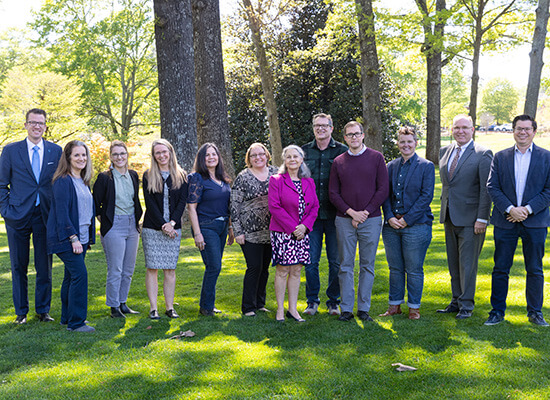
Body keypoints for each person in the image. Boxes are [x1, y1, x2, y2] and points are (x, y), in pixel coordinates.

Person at [484, 115, 550, 326]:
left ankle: (535, 312)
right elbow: (492, 186)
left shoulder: (546, 157)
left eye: (527, 129)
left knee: (535, 269)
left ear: (534, 131)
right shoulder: (500, 157)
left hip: (536, 222)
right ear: (513, 130)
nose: (522, 132)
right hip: (506, 221)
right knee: (501, 268)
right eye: (518, 128)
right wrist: (511, 209)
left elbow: (549, 190)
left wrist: (527, 210)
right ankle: (497, 312)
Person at [0, 108, 62, 324]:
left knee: (44, 265)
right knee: (18, 265)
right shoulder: (10, 151)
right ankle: (21, 312)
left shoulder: (56, 151)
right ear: (25, 125)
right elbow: (1, 184)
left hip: (45, 215)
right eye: (33, 122)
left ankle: (43, 310)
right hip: (17, 215)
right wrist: (5, 210)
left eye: (41, 123)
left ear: (45, 126)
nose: (37, 126)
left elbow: (60, 184)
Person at [329, 121, 389, 322]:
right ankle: (346, 309)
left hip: (370, 219)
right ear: (344, 138)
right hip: (344, 220)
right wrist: (351, 213)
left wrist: (365, 212)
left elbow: (383, 189)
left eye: (357, 134)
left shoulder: (376, 158)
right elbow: (333, 193)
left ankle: (363, 308)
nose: (353, 137)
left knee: (367, 265)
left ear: (363, 135)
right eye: (349, 135)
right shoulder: (338, 161)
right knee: (345, 264)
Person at [438, 114, 493, 319]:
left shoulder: (483, 153)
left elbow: (486, 190)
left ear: (472, 129)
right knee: (454, 263)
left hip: (472, 220)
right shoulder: (445, 151)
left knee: (468, 264)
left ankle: (467, 305)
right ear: (452, 130)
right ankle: (455, 301)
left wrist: (482, 218)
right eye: (456, 128)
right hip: (449, 216)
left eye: (464, 127)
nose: (460, 131)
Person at [380, 127, 434, 320]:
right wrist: (389, 216)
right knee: (395, 268)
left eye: (409, 141)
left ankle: (414, 307)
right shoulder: (390, 166)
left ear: (416, 143)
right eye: (402, 141)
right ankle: (394, 306)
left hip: (416, 225)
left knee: (413, 268)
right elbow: (384, 194)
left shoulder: (426, 166)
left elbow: (426, 196)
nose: (406, 145)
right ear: (398, 144)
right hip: (391, 226)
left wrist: (407, 219)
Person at [301, 113, 347, 316]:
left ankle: (333, 301)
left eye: (324, 126)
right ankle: (312, 301)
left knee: (336, 261)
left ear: (331, 128)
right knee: (311, 261)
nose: (320, 129)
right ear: (313, 128)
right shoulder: (303, 152)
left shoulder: (342, 152)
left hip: (336, 216)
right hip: (311, 218)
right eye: (316, 126)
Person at [47, 140, 95, 332]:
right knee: (80, 276)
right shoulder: (63, 181)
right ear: (68, 158)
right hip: (67, 238)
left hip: (81, 237)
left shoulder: (83, 181)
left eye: (83, 155)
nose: (81, 158)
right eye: (76, 155)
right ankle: (77, 323)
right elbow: (62, 213)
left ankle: (66, 318)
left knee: (70, 277)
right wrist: (73, 238)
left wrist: (85, 238)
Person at [269, 145, 319, 322]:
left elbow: (314, 207)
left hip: (302, 233)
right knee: (282, 270)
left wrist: (304, 227)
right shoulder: (276, 180)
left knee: (297, 270)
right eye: (288, 157)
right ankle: (280, 310)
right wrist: (293, 228)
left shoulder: (309, 182)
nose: (292, 160)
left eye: (295, 157)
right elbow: (274, 206)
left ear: (301, 159)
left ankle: (293, 309)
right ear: (284, 160)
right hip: (283, 232)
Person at [93, 140, 143, 318]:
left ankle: (123, 303)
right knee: (116, 268)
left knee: (128, 269)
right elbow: (96, 203)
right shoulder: (105, 177)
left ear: (127, 155)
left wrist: (137, 220)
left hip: (132, 225)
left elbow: (134, 199)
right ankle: (113, 306)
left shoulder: (133, 175)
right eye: (115, 154)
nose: (119, 157)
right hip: (114, 225)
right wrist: (104, 220)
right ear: (111, 157)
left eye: (122, 153)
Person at [230, 143, 278, 317]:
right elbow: (234, 206)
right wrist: (238, 231)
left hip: (273, 230)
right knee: (254, 267)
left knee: (265, 268)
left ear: (267, 155)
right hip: (249, 232)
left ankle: (260, 303)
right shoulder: (243, 177)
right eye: (253, 155)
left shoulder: (277, 173)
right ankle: (248, 307)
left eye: (261, 154)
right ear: (248, 159)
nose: (258, 158)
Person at [142, 139, 188, 320]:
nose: (161, 155)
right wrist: (163, 224)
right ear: (154, 156)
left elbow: (182, 202)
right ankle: (153, 308)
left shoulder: (182, 175)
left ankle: (169, 307)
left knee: (170, 269)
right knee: (152, 268)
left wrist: (172, 224)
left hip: (174, 229)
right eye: (157, 153)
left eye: (164, 152)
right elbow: (150, 204)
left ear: (170, 152)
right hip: (152, 228)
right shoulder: (148, 175)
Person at [188, 143, 234, 316]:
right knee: (214, 266)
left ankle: (208, 305)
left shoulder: (222, 179)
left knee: (213, 267)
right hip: (206, 226)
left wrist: (230, 228)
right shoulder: (197, 178)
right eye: (207, 155)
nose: (211, 157)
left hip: (222, 227)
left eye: (214, 154)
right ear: (201, 158)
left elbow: (226, 206)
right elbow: (191, 208)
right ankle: (206, 307)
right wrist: (197, 233)